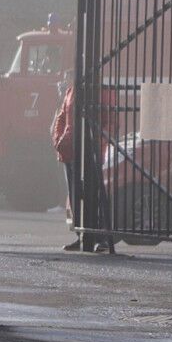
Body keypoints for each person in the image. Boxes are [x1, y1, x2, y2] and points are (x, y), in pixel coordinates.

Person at [51, 71, 114, 253]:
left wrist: (99, 143)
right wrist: (59, 139)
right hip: (70, 150)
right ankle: (81, 235)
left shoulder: (102, 92)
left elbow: (110, 122)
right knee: (75, 194)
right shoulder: (72, 91)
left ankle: (99, 236)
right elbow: (61, 117)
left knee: (94, 193)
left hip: (91, 150)